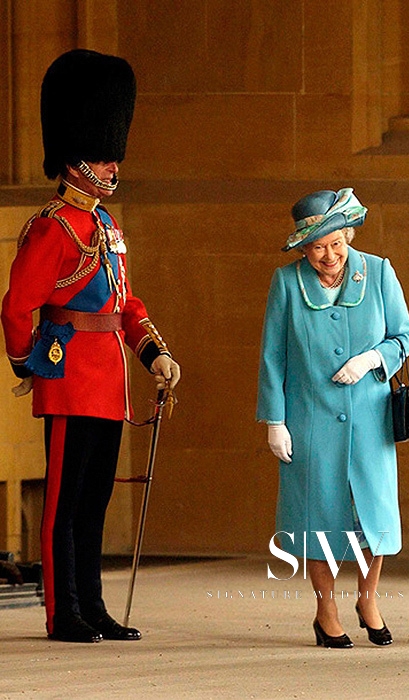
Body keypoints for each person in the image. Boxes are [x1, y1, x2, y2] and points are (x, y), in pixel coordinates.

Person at [1, 50, 180, 643]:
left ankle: (93, 607)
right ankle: (63, 612)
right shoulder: (54, 227)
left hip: (108, 383)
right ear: (75, 160)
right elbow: (16, 304)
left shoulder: (108, 228)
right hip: (67, 377)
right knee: (63, 504)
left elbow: (126, 306)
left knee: (95, 502)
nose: (111, 164)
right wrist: (27, 361)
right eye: (102, 154)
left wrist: (154, 354)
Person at [257, 188, 409, 648]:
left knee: (373, 515)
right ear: (303, 248)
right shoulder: (287, 283)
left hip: (369, 418)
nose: (328, 255)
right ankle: (325, 610)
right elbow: (272, 356)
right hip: (309, 417)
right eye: (317, 246)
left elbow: (405, 335)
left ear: (348, 234)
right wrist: (274, 420)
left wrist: (370, 360)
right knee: (318, 516)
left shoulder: (380, 272)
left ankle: (368, 599)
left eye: (336, 243)